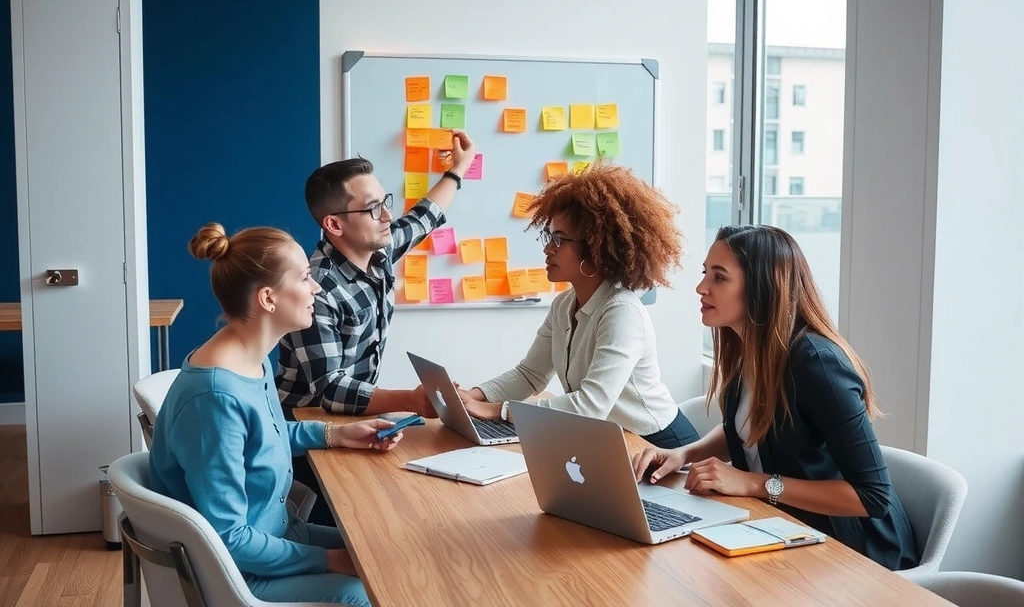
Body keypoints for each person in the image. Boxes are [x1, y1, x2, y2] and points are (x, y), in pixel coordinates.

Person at [632, 224, 919, 570]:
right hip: (782, 527)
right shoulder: (748, 349)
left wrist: (752, 483)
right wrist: (682, 454)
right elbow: (750, 426)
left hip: (855, 552)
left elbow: (872, 496)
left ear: (762, 289)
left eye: (719, 277)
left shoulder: (818, 365)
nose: (701, 287)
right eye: (705, 273)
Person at [149, 223, 404, 605]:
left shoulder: (249, 358)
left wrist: (335, 435)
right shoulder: (215, 396)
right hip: (239, 573)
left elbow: (261, 436)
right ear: (268, 298)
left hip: (278, 537)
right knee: (360, 591)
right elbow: (229, 536)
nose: (317, 287)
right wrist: (329, 560)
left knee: (390, 553)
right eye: (304, 277)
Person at [277, 130, 475, 524]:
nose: (387, 215)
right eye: (373, 208)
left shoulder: (377, 252)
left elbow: (424, 217)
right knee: (376, 519)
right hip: (302, 438)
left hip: (348, 423)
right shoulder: (315, 288)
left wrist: (458, 169)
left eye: (385, 202)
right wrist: (413, 400)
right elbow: (330, 390)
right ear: (333, 224)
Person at [457, 163, 699, 449]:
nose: (547, 248)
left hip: (657, 445)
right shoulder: (563, 305)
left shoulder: (623, 312)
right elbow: (529, 375)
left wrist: (499, 410)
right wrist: (473, 397)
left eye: (559, 239)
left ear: (596, 248)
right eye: (549, 236)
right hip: (609, 437)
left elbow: (590, 406)